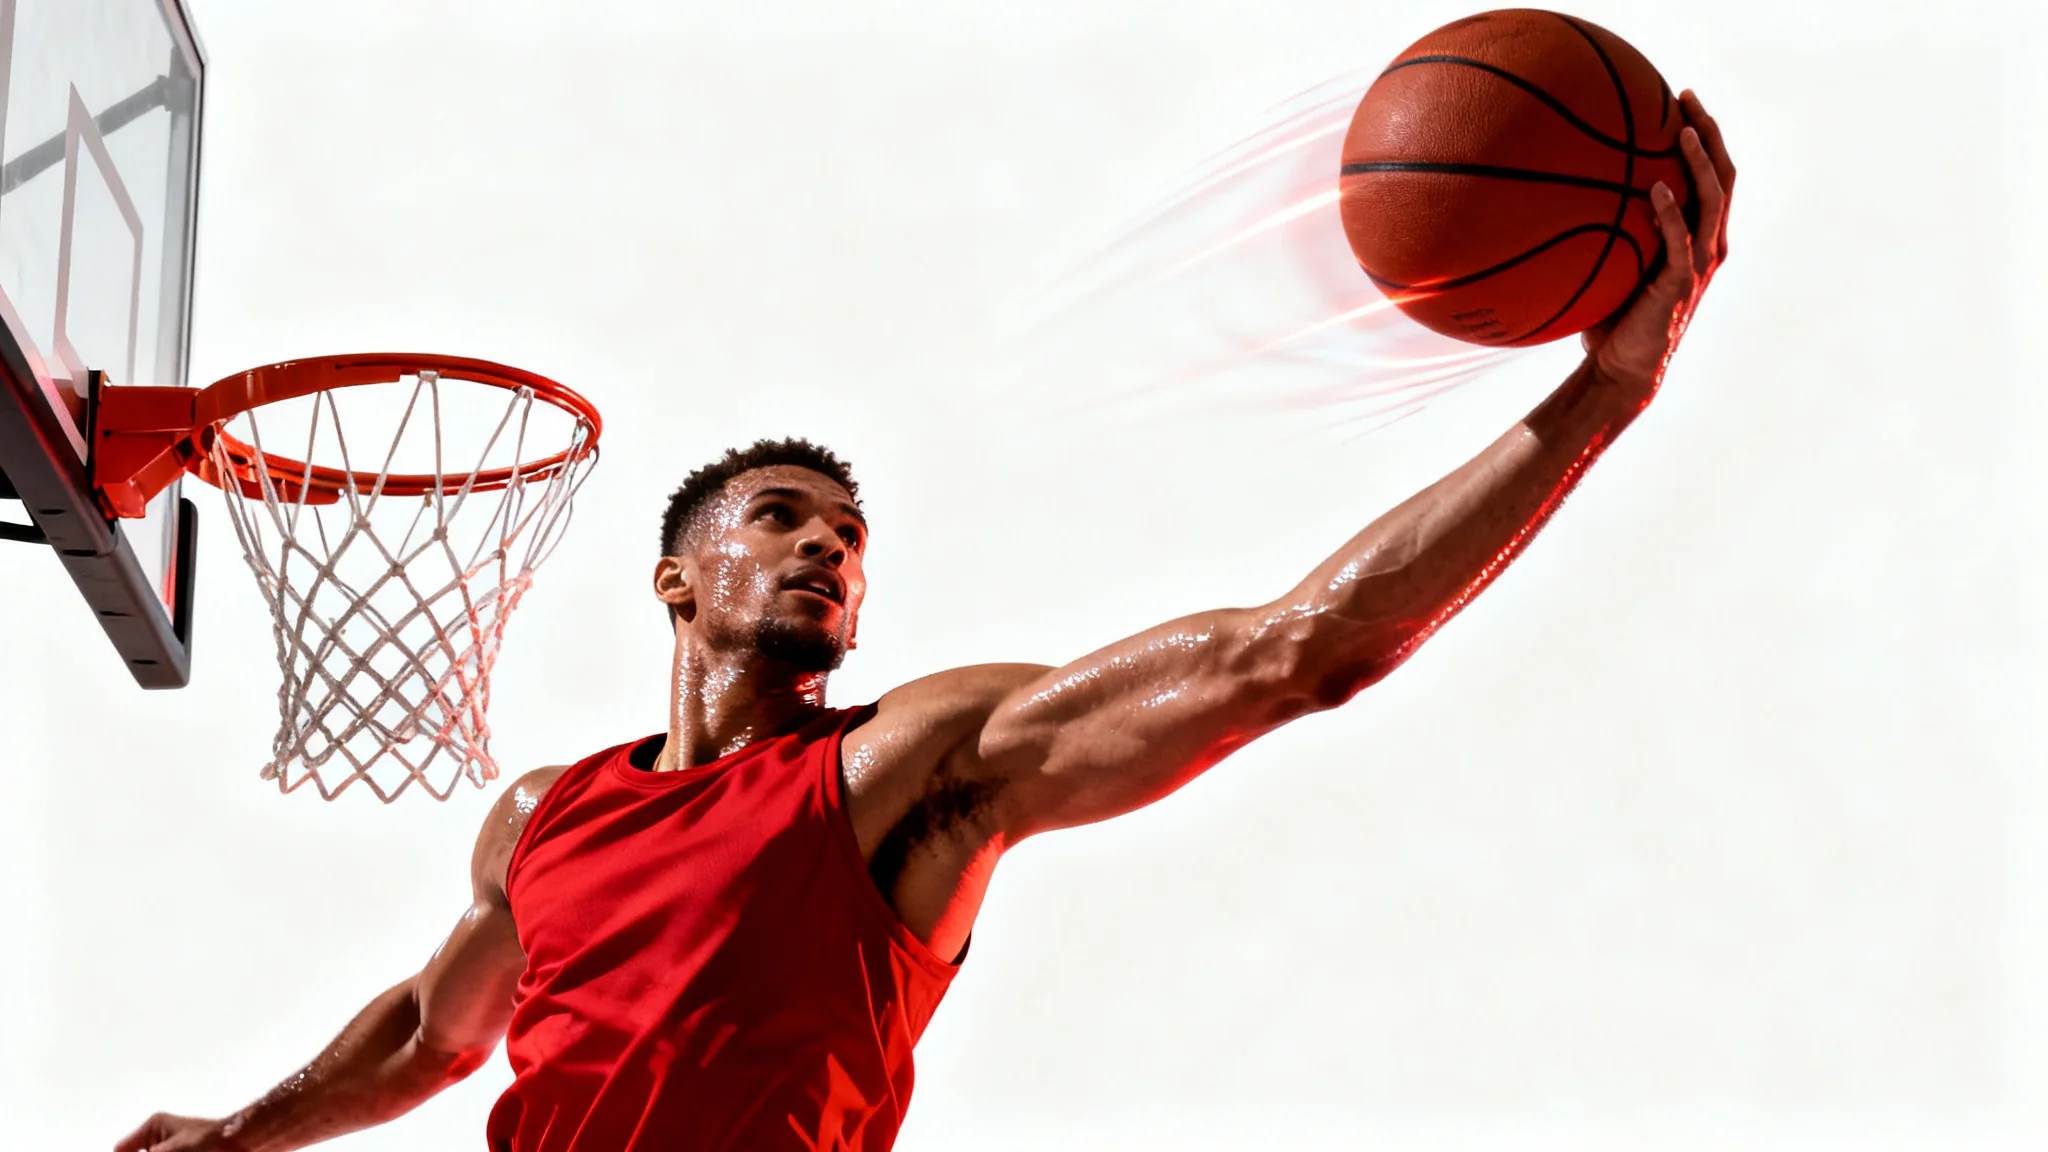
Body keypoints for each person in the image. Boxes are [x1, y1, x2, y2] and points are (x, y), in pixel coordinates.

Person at [118, 93, 1733, 1152]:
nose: (828, 548)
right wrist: (234, 1133)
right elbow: (426, 1027)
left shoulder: (909, 768)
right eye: (780, 520)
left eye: (850, 536)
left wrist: (1602, 394)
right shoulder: (545, 818)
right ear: (676, 580)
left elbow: (1292, 652)